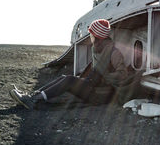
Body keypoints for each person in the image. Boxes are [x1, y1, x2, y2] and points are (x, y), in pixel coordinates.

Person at [10, 19, 140, 110]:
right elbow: (96, 67)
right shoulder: (97, 49)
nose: (90, 36)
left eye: (92, 34)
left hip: (102, 94)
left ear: (98, 36)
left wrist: (104, 75)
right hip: (93, 86)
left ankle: (33, 99)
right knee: (64, 78)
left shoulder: (113, 53)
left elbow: (122, 75)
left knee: (69, 80)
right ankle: (34, 96)